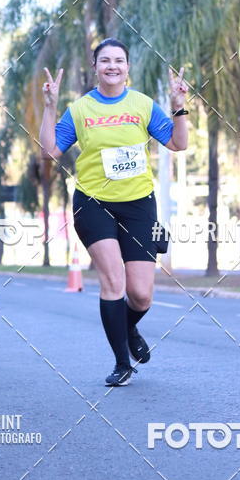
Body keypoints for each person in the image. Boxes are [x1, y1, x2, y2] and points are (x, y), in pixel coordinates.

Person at [40, 38, 188, 386]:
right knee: (113, 282)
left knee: (141, 294)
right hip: (94, 203)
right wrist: (50, 106)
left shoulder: (142, 104)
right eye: (105, 60)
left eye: (119, 60)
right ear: (95, 67)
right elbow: (50, 151)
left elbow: (178, 143)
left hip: (139, 204)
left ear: (127, 67)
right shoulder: (80, 109)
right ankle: (122, 363)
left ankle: (128, 329)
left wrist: (179, 107)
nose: (112, 66)